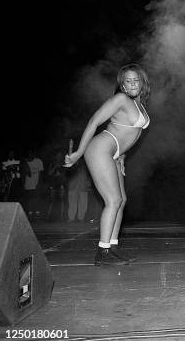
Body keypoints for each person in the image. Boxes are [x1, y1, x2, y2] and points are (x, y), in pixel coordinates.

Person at [64, 63, 150, 266]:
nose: (131, 83)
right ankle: (102, 254)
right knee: (113, 200)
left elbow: (130, 134)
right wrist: (78, 152)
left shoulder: (139, 104)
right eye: (127, 81)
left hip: (114, 153)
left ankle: (112, 247)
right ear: (122, 85)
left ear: (142, 82)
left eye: (135, 79)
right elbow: (94, 121)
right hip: (100, 148)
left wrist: (122, 157)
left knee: (121, 201)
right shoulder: (120, 99)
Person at [21, 149, 44, 218]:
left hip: (36, 184)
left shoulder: (38, 161)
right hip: (27, 185)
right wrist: (23, 184)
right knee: (29, 200)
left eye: (32, 153)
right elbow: (25, 174)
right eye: (29, 153)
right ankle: (30, 214)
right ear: (27, 154)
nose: (30, 155)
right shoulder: (24, 162)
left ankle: (37, 213)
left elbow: (41, 173)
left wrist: (39, 183)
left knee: (37, 199)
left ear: (34, 154)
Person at [46, 151, 67, 221]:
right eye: (58, 155)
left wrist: (60, 175)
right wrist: (55, 167)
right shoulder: (52, 163)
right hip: (53, 184)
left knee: (61, 201)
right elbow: (49, 173)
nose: (59, 156)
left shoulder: (63, 164)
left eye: (60, 155)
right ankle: (48, 216)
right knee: (52, 201)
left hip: (61, 184)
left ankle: (61, 217)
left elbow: (65, 175)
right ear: (55, 156)